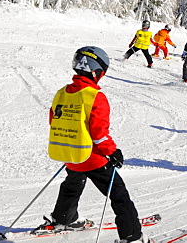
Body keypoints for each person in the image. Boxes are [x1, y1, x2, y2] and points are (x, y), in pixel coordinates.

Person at [41, 46, 148, 243]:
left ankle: (64, 218)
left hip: (71, 156)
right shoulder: (95, 96)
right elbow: (99, 134)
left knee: (72, 184)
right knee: (119, 194)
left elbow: (54, 121)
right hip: (93, 158)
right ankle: (132, 236)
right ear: (96, 71)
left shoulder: (61, 93)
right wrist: (113, 152)